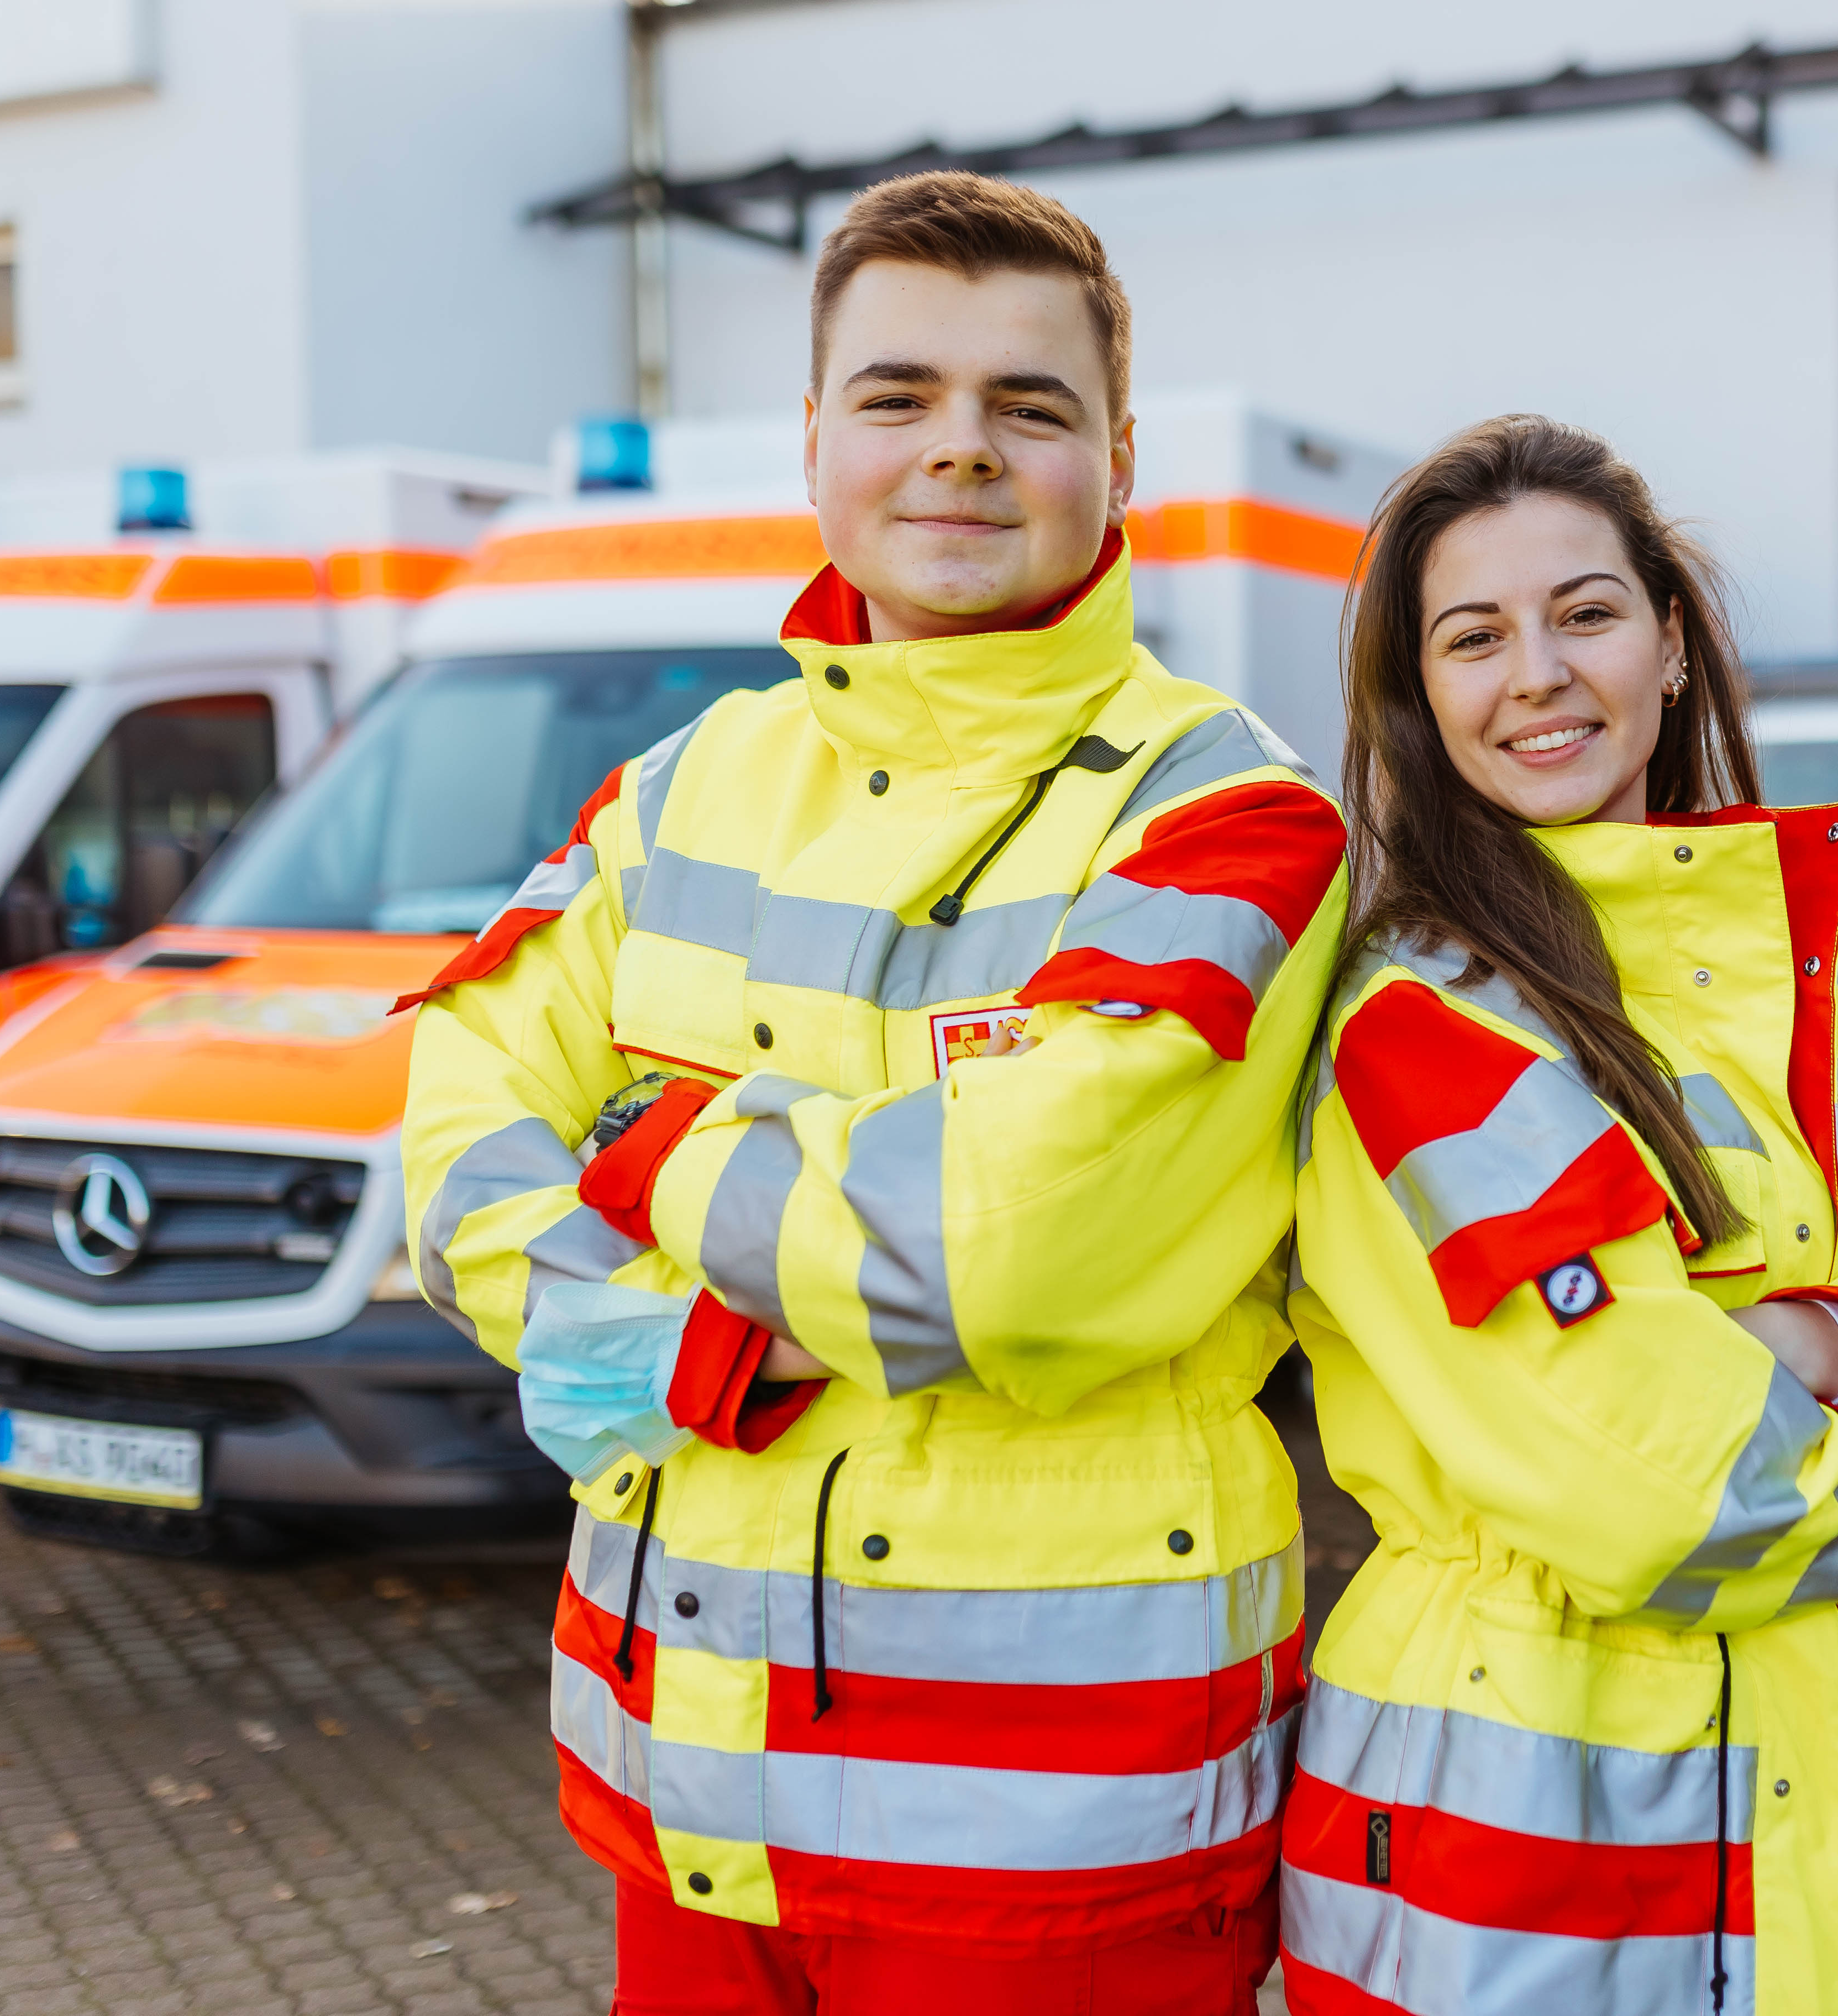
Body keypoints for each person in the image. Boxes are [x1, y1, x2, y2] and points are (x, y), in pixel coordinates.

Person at [397, 172, 1346, 2014]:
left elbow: (1003, 1253)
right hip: (680, 1784)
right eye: (900, 397)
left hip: (1060, 1831)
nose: (961, 453)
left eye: (1032, 406)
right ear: (816, 438)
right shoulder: (684, 780)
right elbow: (458, 1121)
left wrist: (644, 1149)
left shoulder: (1233, 816)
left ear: (1123, 458)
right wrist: (681, 1322)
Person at [1275, 416, 1838, 2016]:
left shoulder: (1818, 992)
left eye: (1583, 612)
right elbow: (1679, 1495)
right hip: (1500, 1857)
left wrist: (1808, 1343)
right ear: (1419, 702)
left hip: (1777, 1790)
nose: (1538, 674)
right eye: (1473, 637)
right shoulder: (1422, 1025)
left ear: (1668, 640)